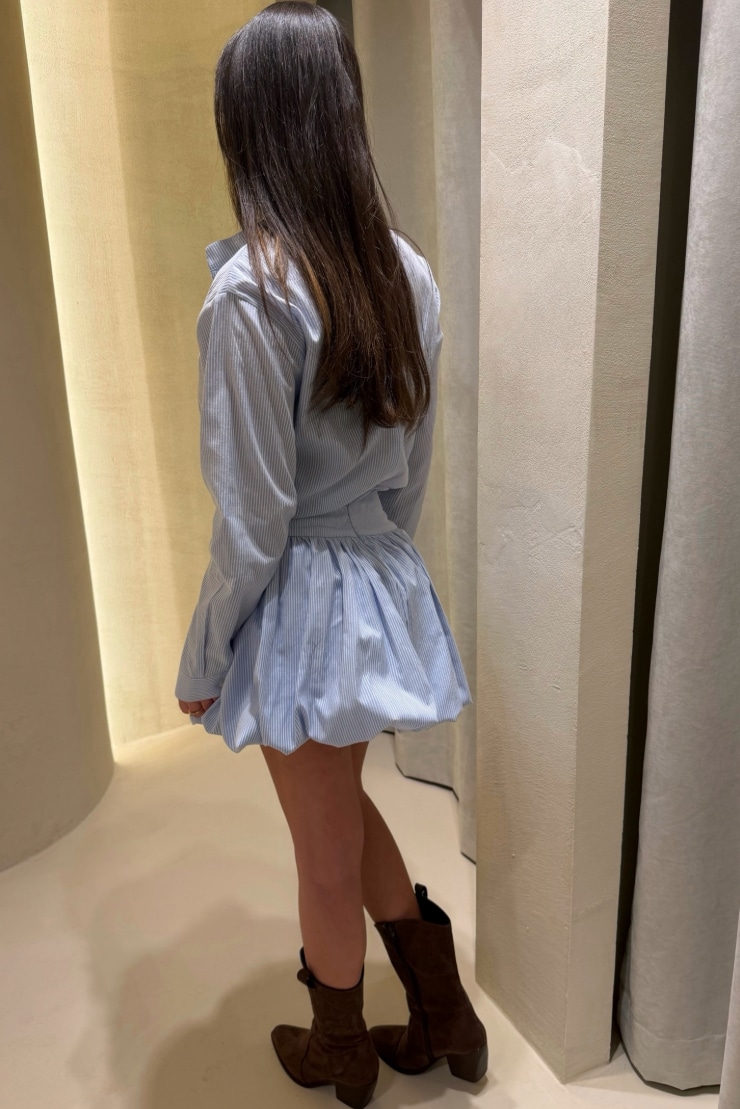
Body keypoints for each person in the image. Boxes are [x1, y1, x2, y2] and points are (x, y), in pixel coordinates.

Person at [174, 4, 487, 1106]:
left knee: (318, 847)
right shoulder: (406, 273)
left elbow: (254, 517)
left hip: (300, 600)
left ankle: (341, 1048)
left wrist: (205, 650)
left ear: (250, 130)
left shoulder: (251, 293)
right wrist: (381, 578)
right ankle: (444, 1011)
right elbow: (411, 473)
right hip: (375, 575)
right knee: (340, 811)